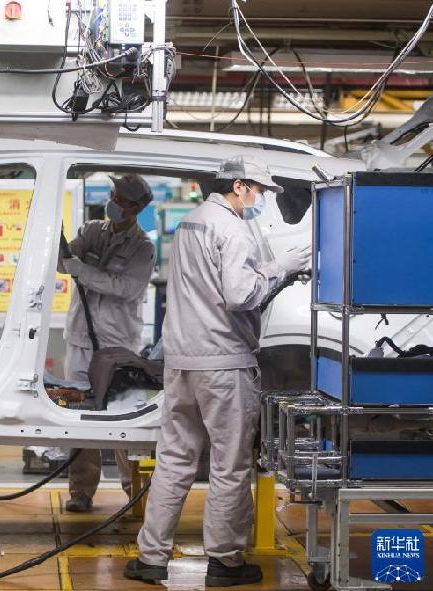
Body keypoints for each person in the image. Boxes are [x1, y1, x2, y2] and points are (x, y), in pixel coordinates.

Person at [124, 156, 310, 587]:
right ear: (239, 186)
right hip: (224, 364)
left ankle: (150, 558)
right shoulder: (233, 228)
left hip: (182, 361)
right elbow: (240, 295)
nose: (261, 199)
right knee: (229, 465)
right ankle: (225, 562)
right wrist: (280, 268)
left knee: (174, 460)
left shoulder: (190, 223)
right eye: (259, 191)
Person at [59, 173, 156, 513]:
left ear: (135, 208)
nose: (112, 202)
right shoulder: (91, 231)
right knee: (79, 417)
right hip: (80, 339)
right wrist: (57, 244)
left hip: (118, 345)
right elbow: (64, 263)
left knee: (122, 418)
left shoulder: (143, 247)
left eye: (120, 199)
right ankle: (81, 491)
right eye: (112, 195)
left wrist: (80, 269)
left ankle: (133, 490)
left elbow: (124, 288)